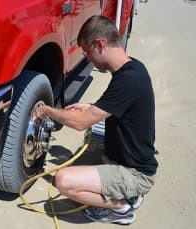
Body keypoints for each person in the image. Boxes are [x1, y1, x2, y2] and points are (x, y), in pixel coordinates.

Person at [35, 15, 158, 225]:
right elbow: (117, 104)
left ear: (99, 44)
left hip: (135, 172)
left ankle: (122, 208)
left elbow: (80, 123)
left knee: (64, 181)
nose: (87, 58)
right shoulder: (133, 68)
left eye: (87, 51)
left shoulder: (128, 81)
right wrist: (90, 107)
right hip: (122, 157)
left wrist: (48, 111)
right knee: (76, 163)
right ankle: (121, 194)